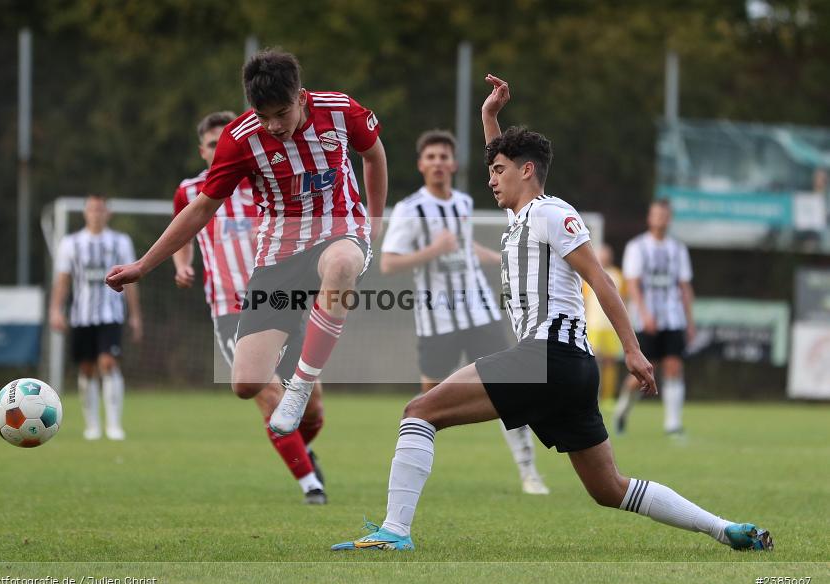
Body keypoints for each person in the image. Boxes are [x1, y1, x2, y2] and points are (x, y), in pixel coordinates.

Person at [330, 75, 771, 553]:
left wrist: (632, 350)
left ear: (526, 171)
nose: (490, 177)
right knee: (609, 488)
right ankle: (726, 529)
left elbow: (600, 280)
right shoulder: (523, 215)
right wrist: (489, 117)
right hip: (567, 368)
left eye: (498, 170)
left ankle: (395, 532)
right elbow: (500, 156)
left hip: (547, 355)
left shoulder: (550, 212)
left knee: (418, 413)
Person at [105, 49, 387, 438]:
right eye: (262, 115)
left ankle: (301, 386)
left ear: (301, 98)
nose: (272, 125)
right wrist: (144, 265)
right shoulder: (238, 140)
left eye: (281, 113)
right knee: (246, 383)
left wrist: (373, 221)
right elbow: (201, 208)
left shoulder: (341, 111)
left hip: (339, 230)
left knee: (340, 265)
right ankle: (296, 332)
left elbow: (373, 155)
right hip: (278, 253)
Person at [380, 129, 548, 494]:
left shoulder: (463, 203)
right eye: (431, 157)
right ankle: (414, 475)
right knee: (428, 404)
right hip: (436, 318)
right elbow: (389, 263)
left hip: (480, 313)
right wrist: (434, 249)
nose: (438, 163)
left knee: (510, 389)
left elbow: (466, 249)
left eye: (444, 157)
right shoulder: (411, 210)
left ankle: (529, 471)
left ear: (453, 164)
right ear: (421, 165)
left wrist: (503, 258)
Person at [172, 111, 327, 504]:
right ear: (203, 150)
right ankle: (312, 487)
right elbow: (183, 230)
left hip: (282, 301)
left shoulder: (265, 182)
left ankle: (297, 450)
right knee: (269, 395)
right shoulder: (190, 192)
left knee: (312, 408)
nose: (218, 149)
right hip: (231, 310)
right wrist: (182, 264)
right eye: (211, 144)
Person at [49, 195, 142, 441]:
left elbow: (131, 281)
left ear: (107, 213)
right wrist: (56, 310)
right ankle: (92, 425)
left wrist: (135, 315)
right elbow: (62, 280)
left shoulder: (120, 241)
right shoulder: (71, 243)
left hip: (111, 313)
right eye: (92, 209)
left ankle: (114, 425)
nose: (96, 214)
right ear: (85, 213)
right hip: (82, 315)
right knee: (87, 368)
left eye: (100, 210)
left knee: (109, 363)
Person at [614, 200, 695, 436]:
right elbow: (633, 284)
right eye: (656, 214)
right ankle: (622, 410)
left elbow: (684, 286)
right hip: (645, 320)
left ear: (669, 219)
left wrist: (689, 321)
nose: (660, 219)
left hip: (673, 318)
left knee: (673, 366)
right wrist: (644, 313)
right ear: (650, 218)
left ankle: (673, 424)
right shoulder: (637, 247)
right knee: (641, 374)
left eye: (664, 215)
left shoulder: (678, 249)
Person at [582, 244, 625, 405]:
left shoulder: (618, 275)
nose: (604, 257)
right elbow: (584, 300)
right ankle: (593, 393)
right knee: (592, 360)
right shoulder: (589, 275)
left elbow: (623, 300)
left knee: (610, 360)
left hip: (610, 326)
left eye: (606, 254)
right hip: (593, 324)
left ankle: (608, 396)